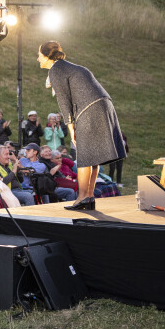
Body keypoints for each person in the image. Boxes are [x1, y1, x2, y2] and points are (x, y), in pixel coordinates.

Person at [38, 41, 126, 210]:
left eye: (39, 55)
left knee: (85, 155)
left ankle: (82, 198)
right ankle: (89, 196)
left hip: (89, 109)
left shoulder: (56, 69)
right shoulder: (69, 67)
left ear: (47, 56)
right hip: (104, 105)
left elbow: (63, 100)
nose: (37, 59)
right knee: (93, 155)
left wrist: (71, 127)